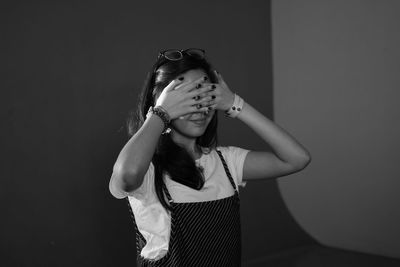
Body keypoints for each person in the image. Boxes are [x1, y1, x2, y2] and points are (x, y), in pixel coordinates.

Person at [109, 48, 311, 266]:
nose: (200, 108)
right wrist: (161, 113)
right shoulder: (147, 169)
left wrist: (236, 103)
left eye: (205, 96)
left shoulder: (226, 162)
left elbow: (297, 159)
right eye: (187, 97)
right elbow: (127, 175)